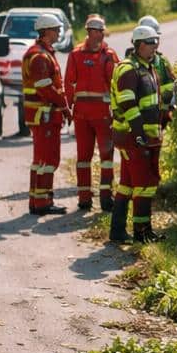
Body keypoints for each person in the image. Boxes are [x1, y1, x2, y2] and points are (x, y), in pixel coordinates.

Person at [108, 23, 172, 243]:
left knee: (127, 185)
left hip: (144, 137)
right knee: (145, 185)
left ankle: (117, 231)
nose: (155, 46)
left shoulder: (147, 67)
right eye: (151, 42)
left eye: (156, 42)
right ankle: (142, 233)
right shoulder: (129, 69)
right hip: (134, 138)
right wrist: (139, 135)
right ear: (139, 44)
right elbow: (128, 104)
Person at [63, 14, 119, 211]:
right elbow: (68, 84)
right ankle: (84, 199)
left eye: (102, 32)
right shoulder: (82, 54)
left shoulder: (106, 55)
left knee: (105, 157)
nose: (102, 35)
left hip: (100, 114)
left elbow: (117, 84)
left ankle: (105, 198)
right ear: (90, 32)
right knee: (84, 158)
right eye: (99, 31)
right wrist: (68, 109)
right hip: (87, 116)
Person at [22, 13, 70, 215]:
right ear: (47, 31)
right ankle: (43, 203)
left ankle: (36, 201)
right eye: (57, 29)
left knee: (40, 160)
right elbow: (45, 88)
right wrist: (64, 106)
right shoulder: (40, 56)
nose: (59, 33)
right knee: (49, 160)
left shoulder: (41, 53)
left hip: (42, 115)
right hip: (45, 115)